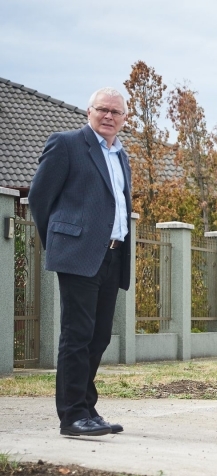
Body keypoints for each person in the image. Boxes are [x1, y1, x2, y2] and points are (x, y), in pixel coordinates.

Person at [28, 88, 132, 437]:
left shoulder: (121, 155)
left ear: (124, 119)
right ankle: (72, 416)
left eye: (115, 112)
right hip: (78, 256)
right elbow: (40, 198)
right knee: (77, 335)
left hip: (113, 255)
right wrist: (61, 242)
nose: (108, 116)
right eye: (102, 109)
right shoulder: (67, 144)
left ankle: (87, 407)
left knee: (99, 336)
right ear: (89, 111)